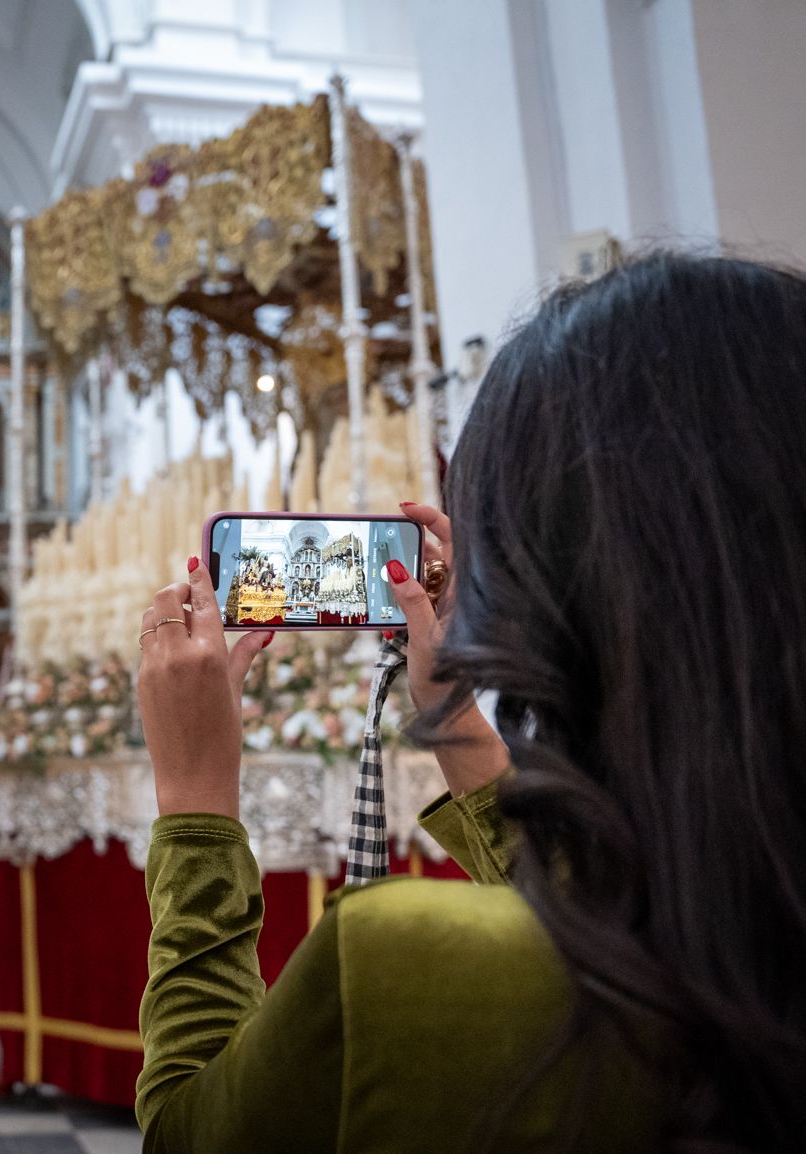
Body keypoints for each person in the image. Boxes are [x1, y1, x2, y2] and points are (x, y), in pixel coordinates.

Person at [134, 253, 804, 1151]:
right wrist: (450, 716)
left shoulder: (400, 968)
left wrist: (195, 807)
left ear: (540, 594)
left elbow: (186, 1135)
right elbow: (599, 913)